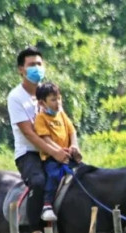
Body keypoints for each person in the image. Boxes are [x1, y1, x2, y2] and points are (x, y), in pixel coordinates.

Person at [7, 47, 69, 233]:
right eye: (31, 65)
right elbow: (30, 134)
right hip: (29, 153)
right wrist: (56, 152)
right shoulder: (16, 97)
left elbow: (66, 124)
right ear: (21, 70)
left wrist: (71, 148)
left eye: (39, 64)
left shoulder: (49, 93)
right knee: (40, 182)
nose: (36, 68)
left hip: (55, 150)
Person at [34, 82, 82, 222]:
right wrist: (58, 151)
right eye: (53, 100)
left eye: (59, 98)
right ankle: (47, 205)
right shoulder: (41, 118)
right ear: (42, 103)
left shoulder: (62, 114)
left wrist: (74, 146)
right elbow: (45, 139)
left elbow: (72, 131)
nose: (58, 102)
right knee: (53, 176)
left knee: (82, 173)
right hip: (52, 157)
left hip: (68, 156)